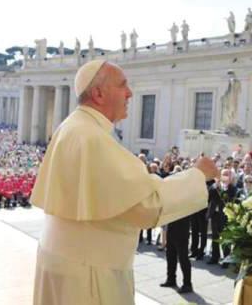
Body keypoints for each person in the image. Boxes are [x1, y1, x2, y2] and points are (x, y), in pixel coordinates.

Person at [30, 59, 218, 305]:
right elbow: (145, 206)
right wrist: (198, 175)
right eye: (123, 85)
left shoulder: (74, 128)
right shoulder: (91, 137)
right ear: (98, 93)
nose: (130, 93)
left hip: (69, 262)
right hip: (90, 275)